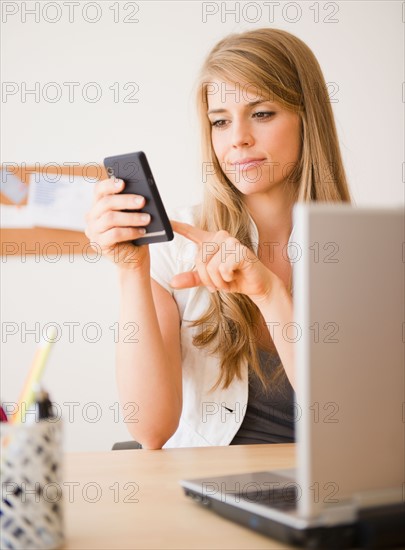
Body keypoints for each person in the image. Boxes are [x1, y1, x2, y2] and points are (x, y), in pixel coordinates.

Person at [85, 28, 351, 449]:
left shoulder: (369, 252)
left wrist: (270, 294)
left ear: (307, 118)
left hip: (326, 487)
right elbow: (151, 430)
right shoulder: (174, 245)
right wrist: (130, 272)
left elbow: (347, 420)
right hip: (211, 484)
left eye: (261, 113)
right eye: (220, 121)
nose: (237, 138)